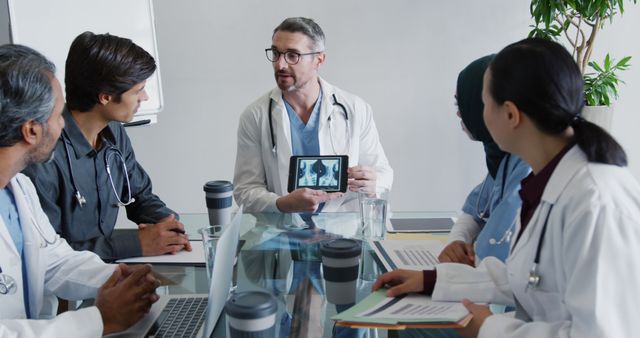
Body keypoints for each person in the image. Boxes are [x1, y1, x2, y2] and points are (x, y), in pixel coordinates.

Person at [373, 38, 640, 338]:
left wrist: (490, 329)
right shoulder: (545, 181)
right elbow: (524, 276)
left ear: (511, 115)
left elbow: (602, 333)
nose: (472, 114)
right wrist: (432, 280)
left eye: (485, 103)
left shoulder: (596, 202)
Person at [0, 44, 159, 337]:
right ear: (31, 131)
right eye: (58, 113)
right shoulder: (33, 176)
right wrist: (99, 320)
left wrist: (118, 277)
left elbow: (55, 260)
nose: (65, 122)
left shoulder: (17, 188)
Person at [23, 31, 191, 261]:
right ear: (105, 97)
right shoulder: (42, 157)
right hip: (63, 290)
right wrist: (136, 243)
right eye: (138, 90)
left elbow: (139, 195)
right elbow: (49, 254)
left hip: (104, 273)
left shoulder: (114, 134)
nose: (145, 98)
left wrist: (165, 222)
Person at [233, 17, 393, 213]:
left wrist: (373, 182)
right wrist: (282, 204)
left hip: (343, 231)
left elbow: (383, 173)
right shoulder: (255, 116)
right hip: (281, 232)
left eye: (293, 55)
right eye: (276, 53)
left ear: (319, 59)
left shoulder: (355, 109)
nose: (280, 64)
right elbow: (245, 190)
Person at [438, 55, 530, 266]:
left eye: (464, 102)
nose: (460, 113)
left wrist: (437, 276)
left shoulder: (525, 165)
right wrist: (457, 242)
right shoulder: (502, 160)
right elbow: (474, 211)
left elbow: (492, 257)